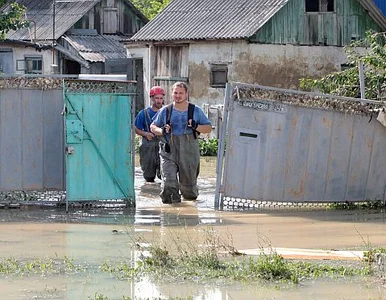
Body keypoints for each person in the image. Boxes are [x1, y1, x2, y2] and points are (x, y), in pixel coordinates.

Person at [150, 82, 212, 204]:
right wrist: (161, 130)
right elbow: (153, 126)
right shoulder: (165, 110)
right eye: (175, 93)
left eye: (181, 93)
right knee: (169, 183)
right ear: (172, 94)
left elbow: (208, 128)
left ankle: (188, 214)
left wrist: (196, 126)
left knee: (189, 190)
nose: (178, 96)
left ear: (186, 94)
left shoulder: (195, 110)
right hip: (168, 152)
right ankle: (170, 216)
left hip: (189, 151)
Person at [134, 86, 165, 182]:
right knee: (148, 177)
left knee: (164, 175)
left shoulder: (166, 112)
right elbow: (135, 128)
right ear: (152, 98)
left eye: (161, 98)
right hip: (147, 146)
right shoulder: (143, 113)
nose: (159, 101)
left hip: (163, 145)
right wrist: (145, 133)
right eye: (156, 98)